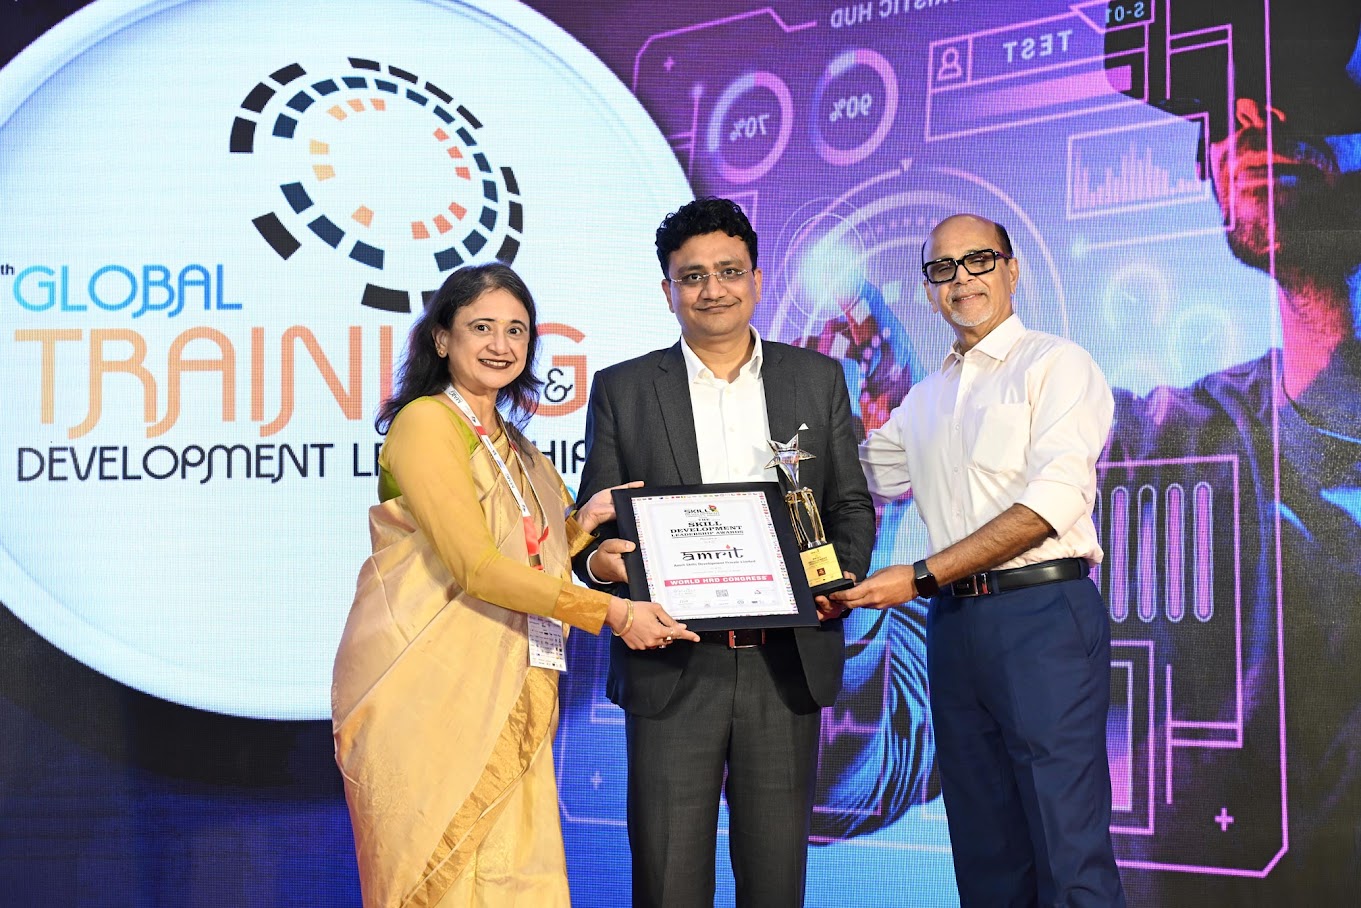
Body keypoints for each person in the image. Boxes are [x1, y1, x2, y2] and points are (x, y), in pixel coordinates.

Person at [331, 263, 696, 908]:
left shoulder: (517, 446)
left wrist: (587, 529)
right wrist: (612, 613)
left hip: (509, 681)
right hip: (430, 689)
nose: (500, 345)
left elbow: (534, 551)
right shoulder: (425, 424)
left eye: (516, 330)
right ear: (442, 338)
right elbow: (475, 566)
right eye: (481, 327)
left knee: (515, 875)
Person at [1099, 3, 1361, 901]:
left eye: (1298, 74)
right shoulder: (1161, 453)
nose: (1248, 113)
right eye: (1222, 95)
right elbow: (888, 728)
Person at [573, 197, 875, 907]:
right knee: (668, 882)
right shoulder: (623, 389)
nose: (713, 289)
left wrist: (837, 579)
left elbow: (849, 506)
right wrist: (600, 567)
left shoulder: (816, 379)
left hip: (785, 661)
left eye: (729, 271)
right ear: (668, 291)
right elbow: (594, 527)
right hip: (672, 662)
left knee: (775, 884)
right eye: (693, 276)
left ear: (757, 280)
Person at [833, 214, 1126, 907]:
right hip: (955, 627)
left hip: (1041, 615)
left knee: (1067, 848)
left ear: (1011, 269)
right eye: (943, 268)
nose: (961, 279)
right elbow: (857, 474)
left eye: (979, 261)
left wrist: (921, 576)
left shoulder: (1056, 365)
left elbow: (1050, 505)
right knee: (985, 852)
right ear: (929, 289)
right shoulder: (924, 399)